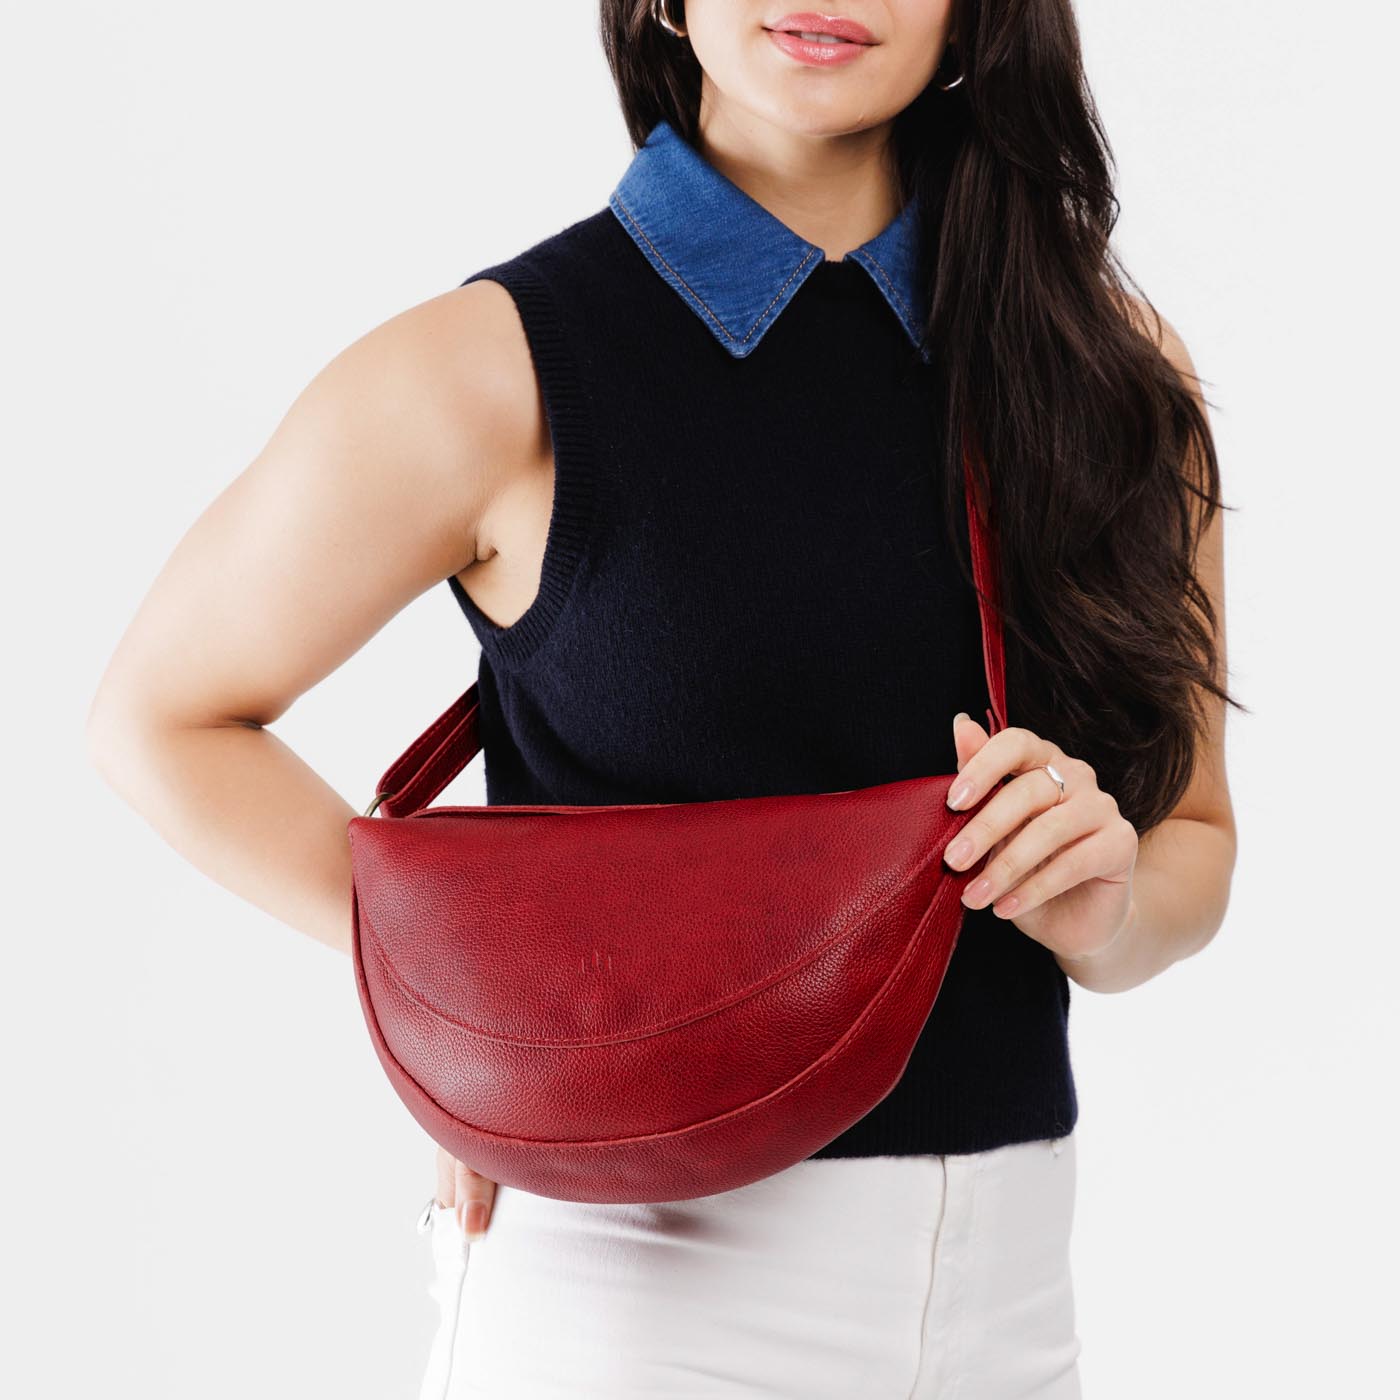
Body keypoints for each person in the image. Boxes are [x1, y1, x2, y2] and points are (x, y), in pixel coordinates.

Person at [87, 1, 1239, 1395]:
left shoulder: (1106, 371)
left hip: (1011, 1296)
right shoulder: (493, 366)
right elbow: (162, 717)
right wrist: (476, 1009)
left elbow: (1193, 839)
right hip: (636, 1287)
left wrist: (1108, 908)